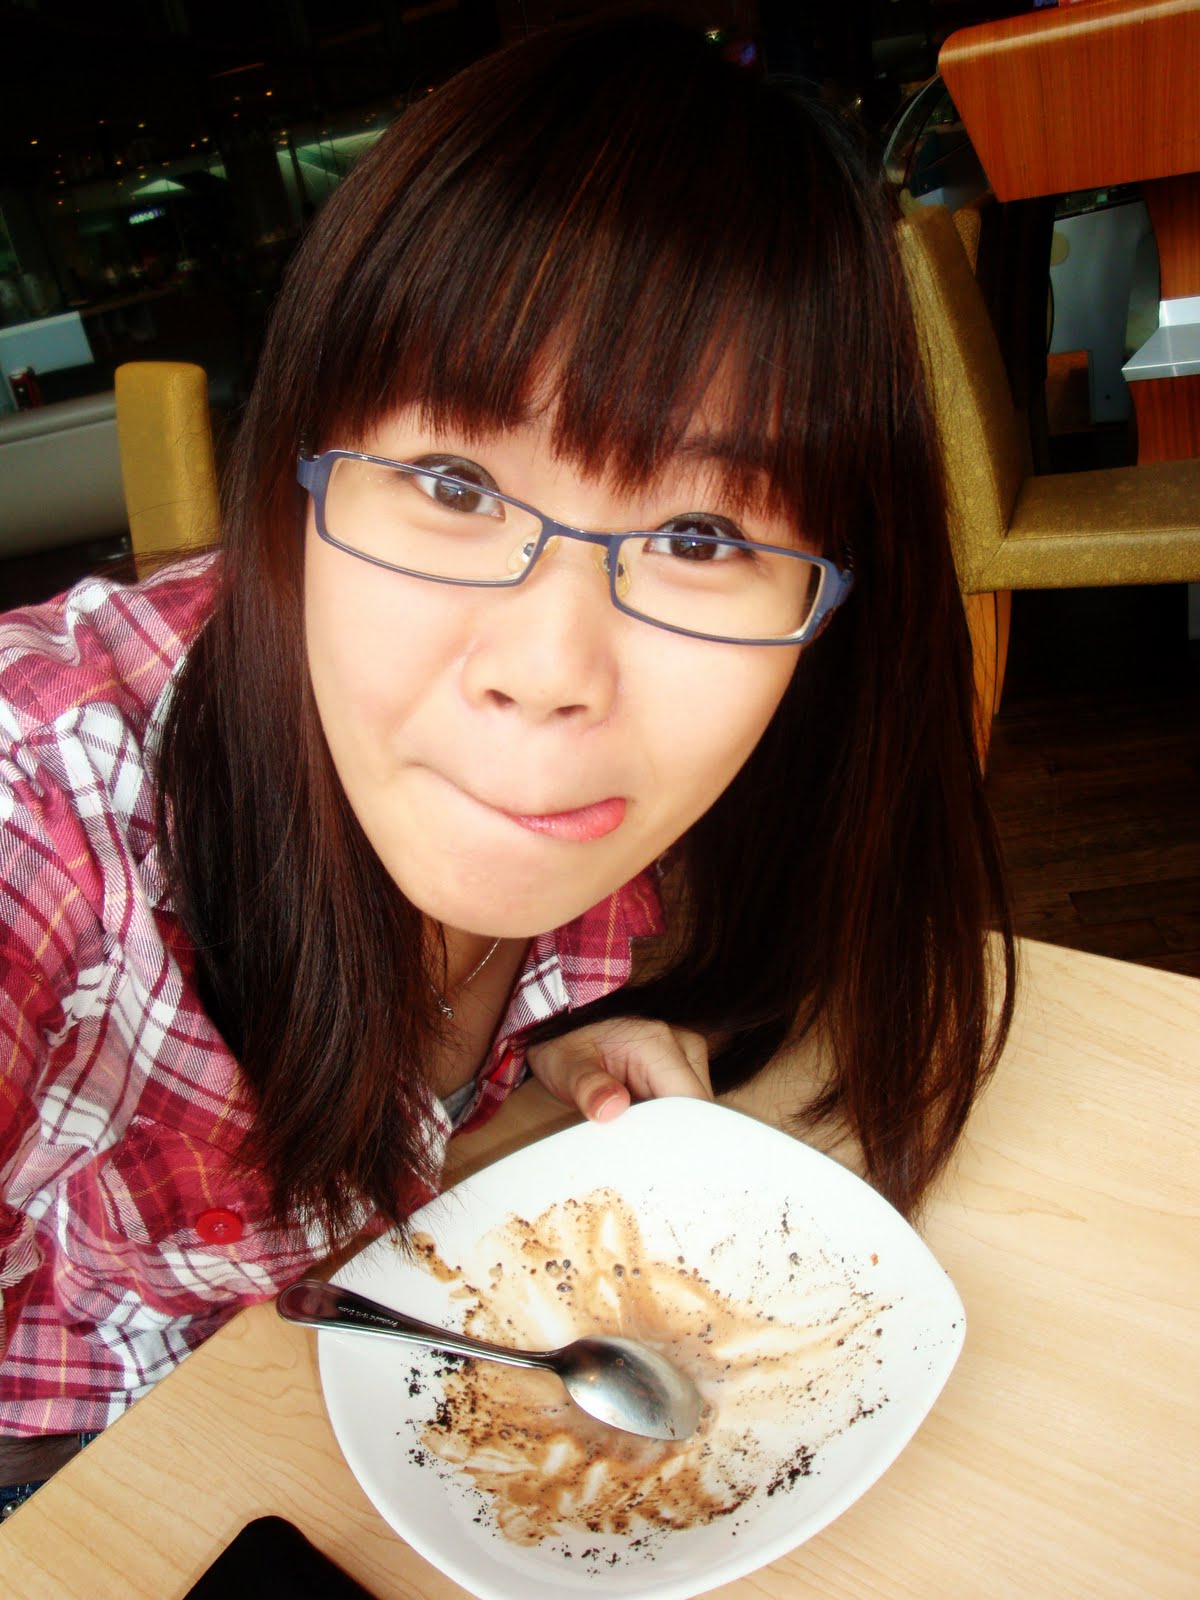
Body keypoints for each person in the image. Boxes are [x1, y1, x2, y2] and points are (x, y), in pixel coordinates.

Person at [0, 14, 1014, 1507]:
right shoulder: (58, 788)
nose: (548, 672)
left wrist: (528, 1044)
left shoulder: (714, 814)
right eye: (455, 482)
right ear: (295, 477)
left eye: (699, 538)